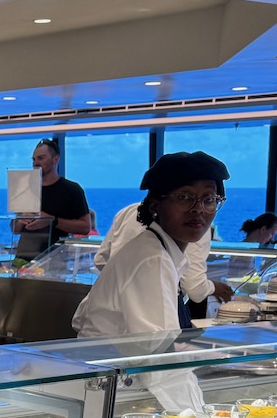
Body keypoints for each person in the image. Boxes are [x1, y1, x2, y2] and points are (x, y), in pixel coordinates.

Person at [74, 151, 230, 339]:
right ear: (155, 206)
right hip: (112, 364)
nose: (198, 209)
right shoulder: (152, 259)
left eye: (209, 199)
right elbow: (153, 349)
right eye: (184, 197)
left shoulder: (157, 248)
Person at [95, 199, 233, 316]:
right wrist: (215, 287)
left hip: (109, 307)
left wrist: (123, 283)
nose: (198, 209)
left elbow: (100, 260)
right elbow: (194, 287)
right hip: (158, 307)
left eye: (208, 199)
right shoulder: (194, 226)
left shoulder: (127, 212)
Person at [16, 138, 91, 243]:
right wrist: (20, 222)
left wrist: (51, 220)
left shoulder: (72, 190)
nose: (36, 163)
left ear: (55, 159)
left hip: (56, 254)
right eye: (34, 159)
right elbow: (14, 230)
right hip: (25, 255)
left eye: (41, 158)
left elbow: (85, 227)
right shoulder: (25, 189)